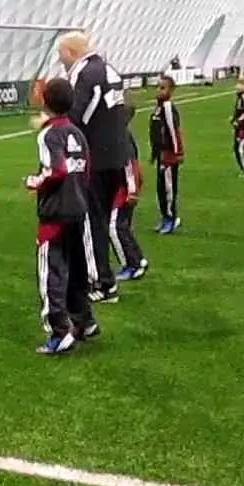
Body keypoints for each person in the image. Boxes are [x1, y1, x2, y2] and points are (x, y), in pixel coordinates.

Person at [24, 78, 99, 355]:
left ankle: (59, 330)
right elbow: (85, 168)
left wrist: (35, 181)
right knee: (76, 270)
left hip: (55, 213)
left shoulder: (48, 135)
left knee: (51, 271)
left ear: (45, 101)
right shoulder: (77, 133)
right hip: (79, 209)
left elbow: (57, 170)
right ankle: (84, 321)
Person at [57, 31, 130, 304]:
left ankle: (100, 282)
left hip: (95, 160)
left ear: (71, 52)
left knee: (90, 221)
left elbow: (76, 117)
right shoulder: (109, 69)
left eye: (61, 53)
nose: (59, 58)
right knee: (100, 219)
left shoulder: (84, 73)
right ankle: (104, 278)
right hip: (117, 155)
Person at [112, 104, 147, 281]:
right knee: (122, 226)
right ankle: (139, 259)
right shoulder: (122, 135)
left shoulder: (121, 138)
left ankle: (130, 265)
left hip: (124, 188)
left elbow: (129, 164)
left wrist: (132, 191)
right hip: (124, 185)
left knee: (115, 227)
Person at [149, 76, 185, 234]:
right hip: (161, 155)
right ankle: (164, 216)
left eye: (162, 88)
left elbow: (173, 130)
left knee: (169, 189)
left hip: (169, 156)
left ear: (170, 91)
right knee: (160, 189)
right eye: (158, 87)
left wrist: (177, 152)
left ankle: (171, 218)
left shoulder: (168, 107)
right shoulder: (158, 107)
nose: (159, 90)